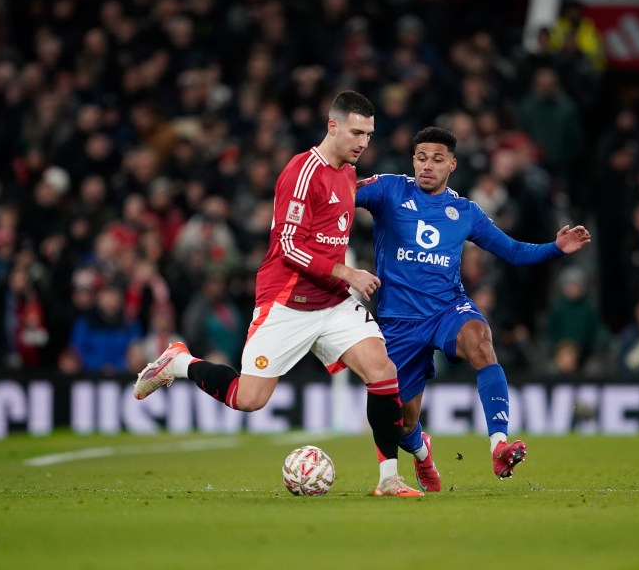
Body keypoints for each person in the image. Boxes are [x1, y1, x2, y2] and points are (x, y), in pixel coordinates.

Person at [134, 91, 422, 497]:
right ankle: (179, 363)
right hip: (286, 303)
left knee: (383, 371)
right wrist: (347, 271)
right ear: (332, 126)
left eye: (370, 135)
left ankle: (389, 478)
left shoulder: (346, 174)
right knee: (249, 399)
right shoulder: (302, 172)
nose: (363, 142)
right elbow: (289, 245)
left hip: (333, 302)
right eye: (356, 132)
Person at [355, 126, 591, 491]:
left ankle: (499, 444)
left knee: (480, 340)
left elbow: (512, 250)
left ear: (452, 163)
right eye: (421, 158)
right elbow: (341, 193)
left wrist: (555, 248)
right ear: (412, 160)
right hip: (399, 321)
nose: (427, 166)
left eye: (436, 159)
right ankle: (422, 452)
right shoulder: (389, 189)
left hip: (447, 309)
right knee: (401, 423)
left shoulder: (464, 211)